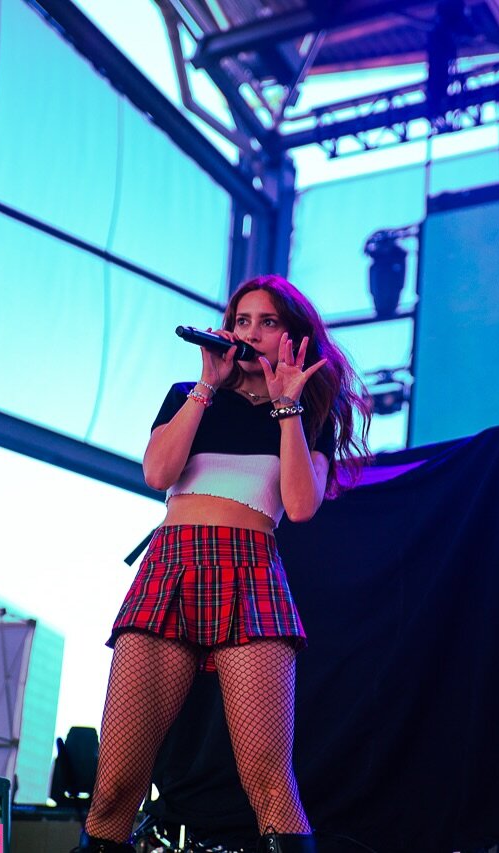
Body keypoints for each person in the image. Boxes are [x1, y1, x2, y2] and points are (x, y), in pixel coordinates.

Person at [75, 275, 372, 853]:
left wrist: (287, 406)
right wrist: (206, 387)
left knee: (270, 784)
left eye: (268, 322)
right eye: (242, 321)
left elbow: (301, 506)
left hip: (251, 571)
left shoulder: (309, 412)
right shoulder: (189, 393)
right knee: (113, 789)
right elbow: (157, 474)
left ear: (293, 337)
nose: (251, 333)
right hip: (172, 565)